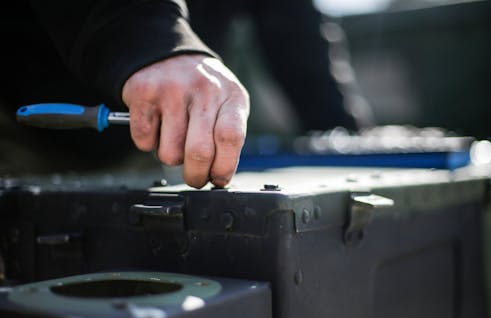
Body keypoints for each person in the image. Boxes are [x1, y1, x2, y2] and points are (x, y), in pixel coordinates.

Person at [0, 0, 362, 188]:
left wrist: (345, 136)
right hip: (18, 124)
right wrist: (157, 43)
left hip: (139, 150)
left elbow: (296, 34)